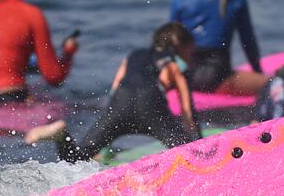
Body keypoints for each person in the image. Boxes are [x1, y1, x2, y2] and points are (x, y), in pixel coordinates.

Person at [25, 23, 200, 162]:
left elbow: (115, 90)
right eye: (191, 50)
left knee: (77, 160)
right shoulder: (172, 61)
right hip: (150, 104)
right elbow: (187, 109)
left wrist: (105, 143)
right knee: (187, 152)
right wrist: (198, 140)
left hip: (120, 102)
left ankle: (61, 136)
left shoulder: (134, 56)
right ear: (179, 47)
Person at [169, 0, 265, 96]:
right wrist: (258, 73)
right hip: (217, 78)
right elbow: (248, 42)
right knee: (273, 84)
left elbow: (170, 43)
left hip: (186, 75)